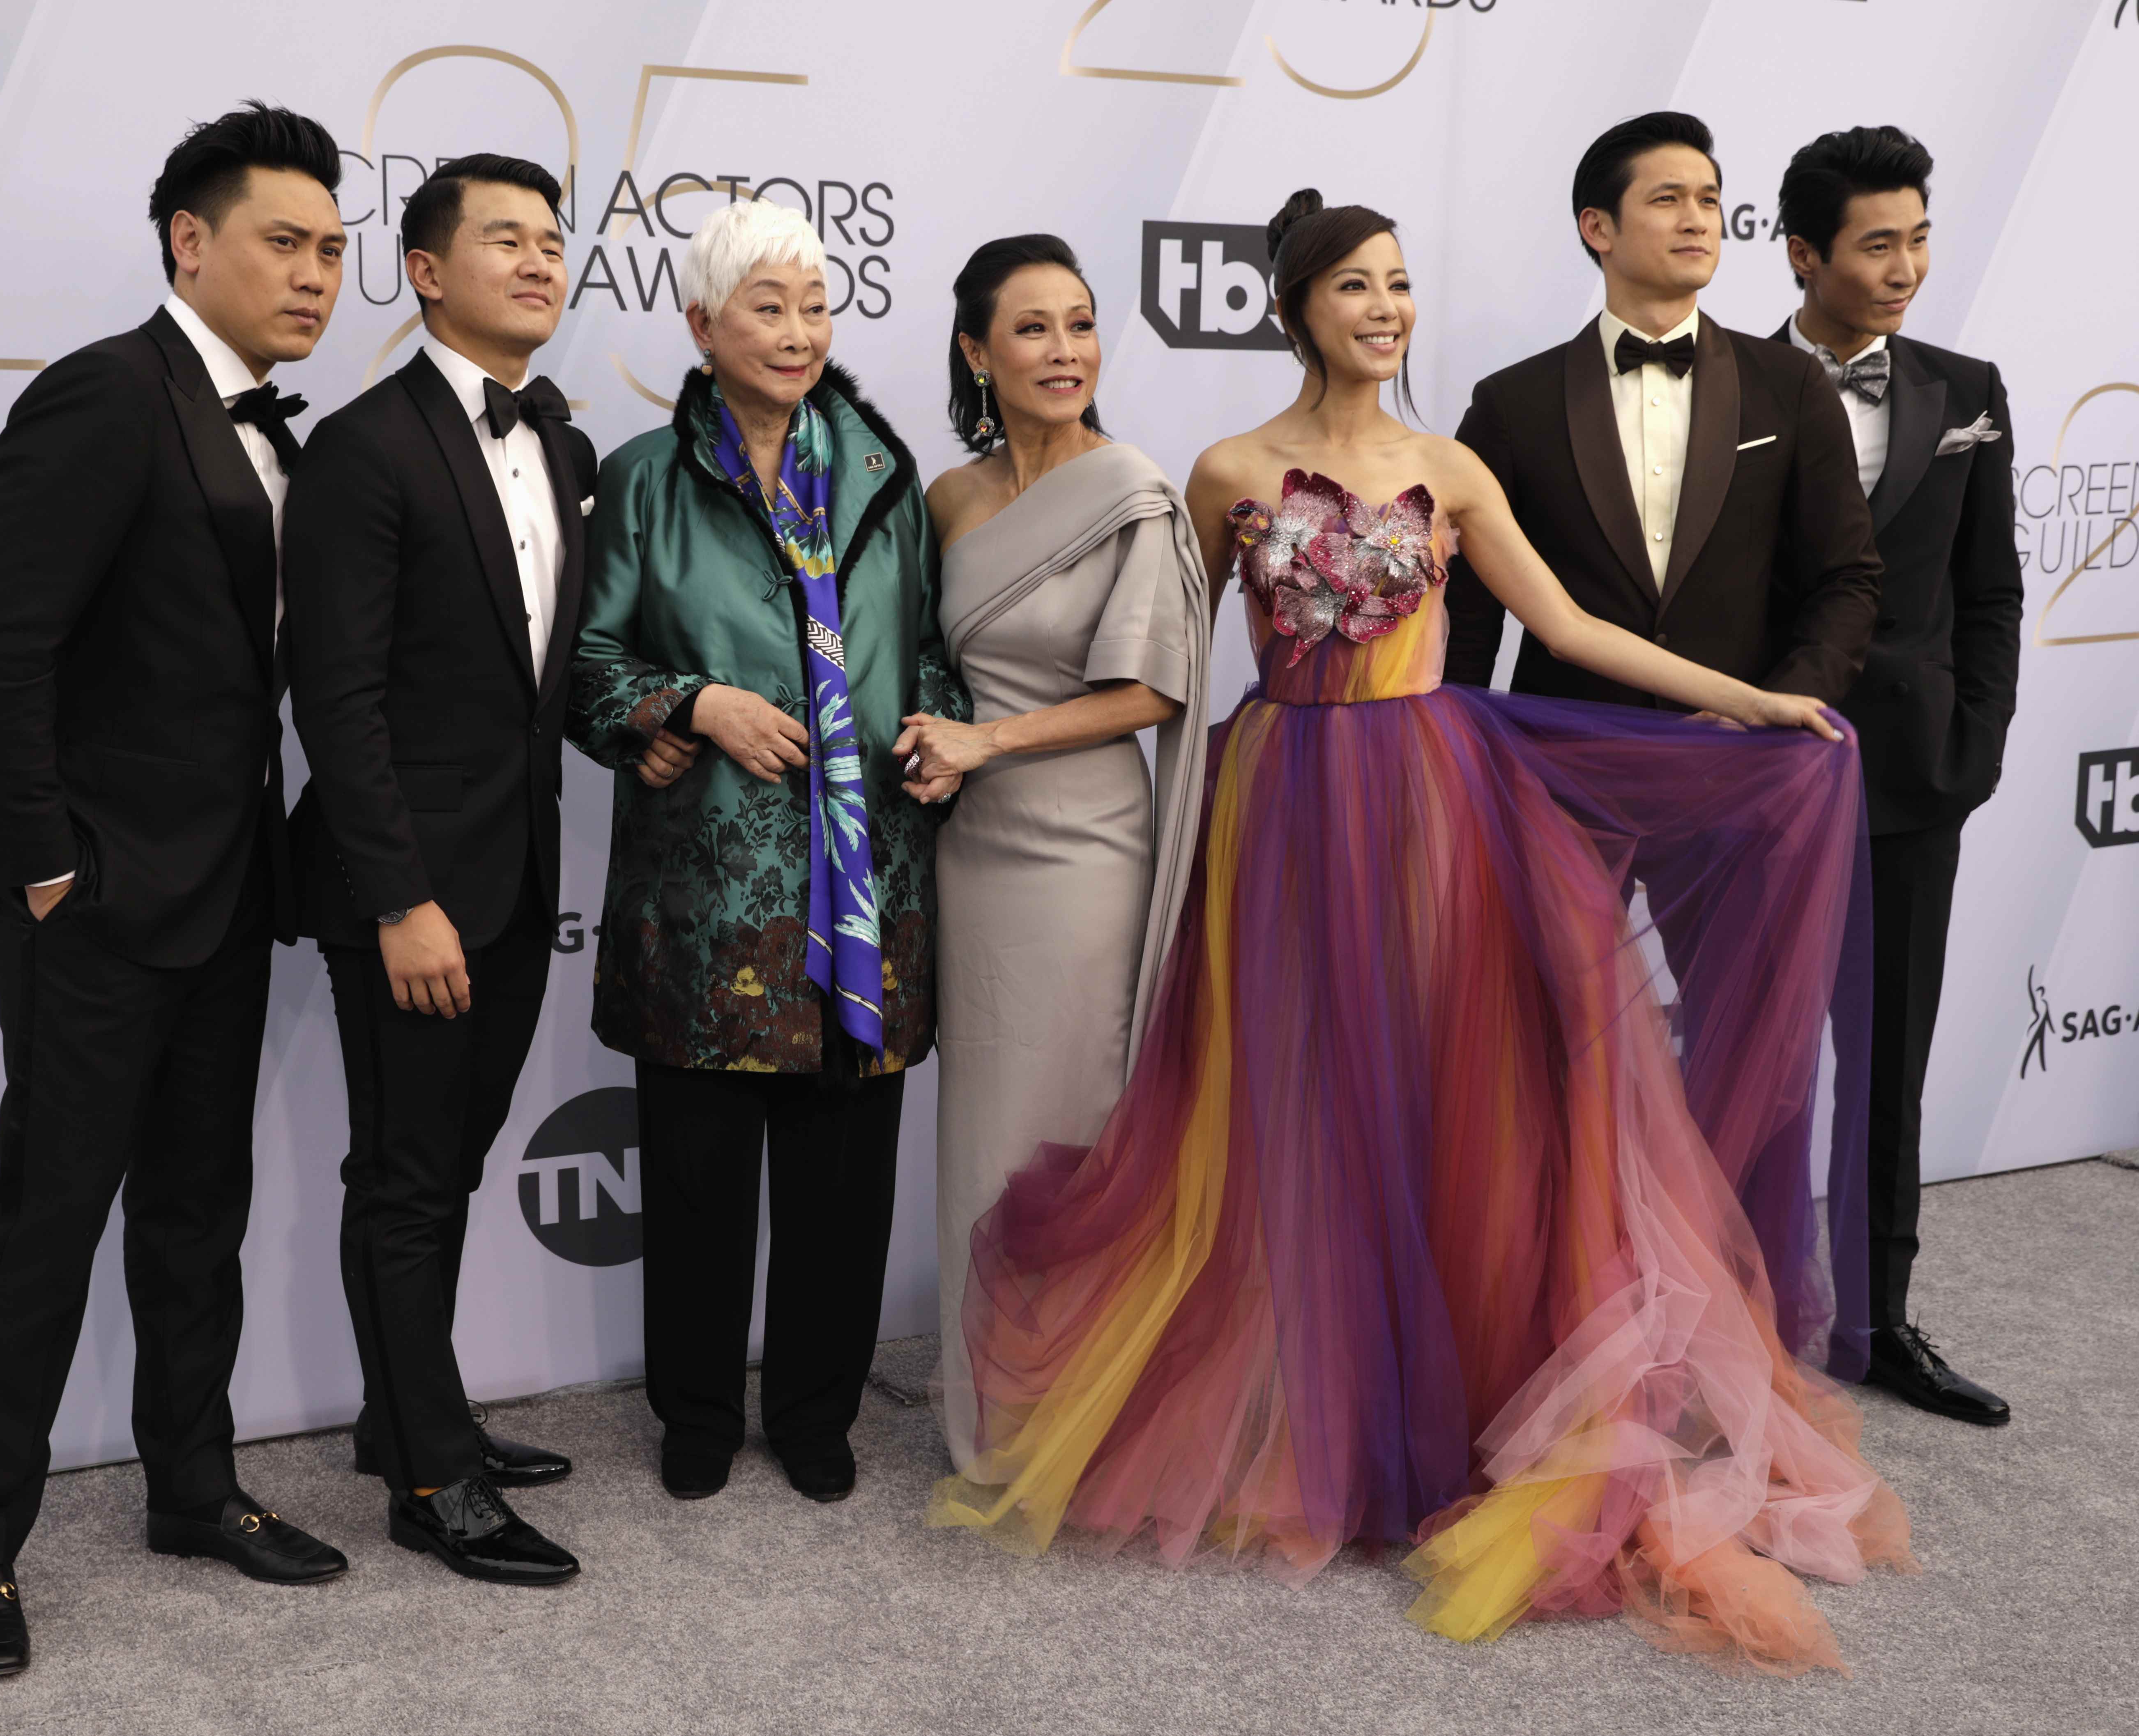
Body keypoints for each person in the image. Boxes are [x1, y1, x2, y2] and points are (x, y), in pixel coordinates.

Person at [926, 191, 1912, 1677]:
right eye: (1355, 287)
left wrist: (1754, 700)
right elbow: (1161, 665)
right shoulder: (1225, 470)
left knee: (1446, 1107)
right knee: (1290, 1110)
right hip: (1277, 806)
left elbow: (1569, 631)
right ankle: (1306, 1413)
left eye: (1398, 285)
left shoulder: (1450, 469)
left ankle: (1441, 1416)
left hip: (1429, 799)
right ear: (1295, 309)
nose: (1386, 309)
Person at [0, 103, 350, 1676]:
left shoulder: (276, 426)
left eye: (333, 251)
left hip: (230, 891)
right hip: (99, 902)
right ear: (190, 242)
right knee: (51, 1218)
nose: (316, 276)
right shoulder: (107, 395)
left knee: (196, 1211)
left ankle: (193, 1485)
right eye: (284, 243)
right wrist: (48, 870)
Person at [1440, 112, 1885, 1347]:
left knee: (1751, 1055)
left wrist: (1772, 709)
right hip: (1560, 777)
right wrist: (1450, 768)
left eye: (1709, 198)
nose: (1700, 221)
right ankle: (1541, 1314)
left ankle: (1728, 1330)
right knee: (1542, 1048)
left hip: (1741, 778)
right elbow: (1468, 621)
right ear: (1598, 228)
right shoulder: (1512, 405)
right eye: (1668, 200)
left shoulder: (1789, 385)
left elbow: (1847, 580)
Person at [566, 199, 968, 1505]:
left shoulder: (884, 477)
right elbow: (587, 664)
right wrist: (691, 705)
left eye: (814, 306)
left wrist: (936, 729)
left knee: (845, 1175)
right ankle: (693, 1408)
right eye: (767, 307)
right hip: (709, 882)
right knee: (696, 1169)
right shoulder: (644, 477)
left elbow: (932, 653)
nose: (798, 333)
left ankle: (814, 1410)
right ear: (702, 325)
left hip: (867, 877)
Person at [286, 154, 588, 1585]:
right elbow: (335, 699)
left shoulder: (565, 447)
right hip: (410, 893)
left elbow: (540, 681)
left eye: (552, 242)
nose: (538, 262)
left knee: (448, 1166)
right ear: (424, 270)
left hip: (520, 877)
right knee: (407, 1179)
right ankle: (432, 1479)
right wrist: (401, 900)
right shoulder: (365, 446)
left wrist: (656, 727)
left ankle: (405, 1413)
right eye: (505, 240)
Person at [900, 235, 1209, 1468]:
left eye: (1080, 324)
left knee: (1077, 1120)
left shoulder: (1132, 488)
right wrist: (937, 746)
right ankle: (992, 1402)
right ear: (977, 353)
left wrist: (988, 740)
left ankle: (1082, 1410)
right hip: (973, 849)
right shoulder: (948, 498)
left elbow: (1154, 692)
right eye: (1033, 328)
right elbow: (922, 667)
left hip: (1087, 848)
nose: (1066, 349)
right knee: (986, 1120)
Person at [1772, 126, 2019, 1426]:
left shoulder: (1967, 386)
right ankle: (1732, 1319)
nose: (1908, 267)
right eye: (1879, 245)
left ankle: (1877, 1322)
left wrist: (1975, 745)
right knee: (1749, 1063)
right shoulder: (1729, 384)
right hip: (1761, 781)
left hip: (1917, 782)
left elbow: (1992, 593)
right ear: (1804, 255)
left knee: (1888, 1069)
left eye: (1920, 239)